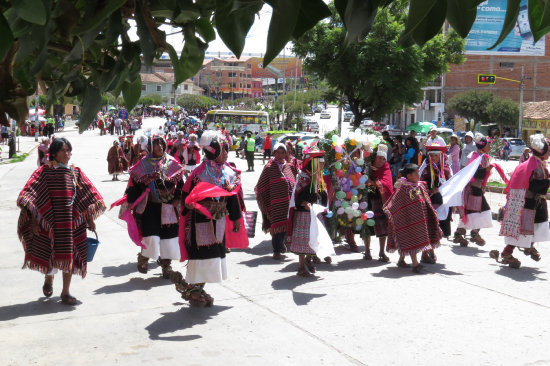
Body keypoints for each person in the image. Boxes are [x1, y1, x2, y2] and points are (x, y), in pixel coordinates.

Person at [17, 137, 105, 305]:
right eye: (63, 150)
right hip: (50, 221)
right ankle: (49, 278)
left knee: (69, 256)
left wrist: (89, 218)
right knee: (50, 253)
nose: (67, 154)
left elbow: (87, 196)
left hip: (71, 223)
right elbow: (30, 194)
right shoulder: (44, 171)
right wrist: (36, 220)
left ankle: (65, 292)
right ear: (54, 153)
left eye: (69, 150)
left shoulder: (75, 172)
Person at [178, 130, 243, 306]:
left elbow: (232, 196)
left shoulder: (227, 172)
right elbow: (185, 195)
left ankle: (196, 289)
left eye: (226, 151)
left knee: (214, 256)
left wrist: (236, 219)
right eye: (223, 150)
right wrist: (189, 204)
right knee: (202, 257)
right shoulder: (198, 173)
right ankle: (194, 290)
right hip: (199, 220)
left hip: (219, 220)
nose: (226, 154)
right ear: (214, 151)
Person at [125, 136, 184, 278]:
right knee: (151, 237)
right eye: (156, 144)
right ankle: (144, 258)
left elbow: (181, 183)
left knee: (169, 238)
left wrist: (177, 198)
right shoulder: (143, 164)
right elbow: (135, 183)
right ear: (151, 147)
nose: (160, 147)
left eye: (162, 144)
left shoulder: (172, 162)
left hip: (169, 206)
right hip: (150, 206)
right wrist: (131, 200)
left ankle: (166, 265)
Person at [491, 134, 550, 268]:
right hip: (529, 202)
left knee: (536, 226)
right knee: (525, 229)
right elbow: (539, 187)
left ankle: (529, 246)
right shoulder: (536, 166)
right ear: (542, 151)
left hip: (526, 202)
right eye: (548, 150)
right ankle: (507, 253)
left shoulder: (529, 164)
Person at [384, 164, 442, 273]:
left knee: (415, 240)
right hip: (407, 221)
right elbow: (394, 205)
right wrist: (398, 216)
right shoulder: (403, 189)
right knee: (411, 240)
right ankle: (415, 265)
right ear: (409, 176)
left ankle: (401, 260)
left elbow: (425, 199)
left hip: (421, 220)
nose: (418, 175)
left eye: (418, 172)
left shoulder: (420, 186)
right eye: (416, 173)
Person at [289, 146, 328, 277]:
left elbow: (322, 195)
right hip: (304, 214)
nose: (322, 165)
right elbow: (298, 197)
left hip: (315, 213)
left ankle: (309, 260)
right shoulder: (303, 176)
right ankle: (301, 266)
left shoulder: (319, 178)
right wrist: (305, 204)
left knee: (314, 239)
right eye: (320, 163)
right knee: (304, 240)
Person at [255, 143, 298, 260]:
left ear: (286, 153)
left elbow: (295, 182)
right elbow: (260, 186)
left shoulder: (289, 167)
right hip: (275, 204)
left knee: (285, 226)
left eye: (283, 152)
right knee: (276, 227)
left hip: (288, 203)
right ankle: (276, 250)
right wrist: (266, 202)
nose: (280, 155)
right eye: (277, 153)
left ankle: (281, 245)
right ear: (273, 153)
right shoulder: (269, 168)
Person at [453, 133, 495, 246]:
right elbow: (474, 173)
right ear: (482, 146)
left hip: (477, 189)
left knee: (473, 212)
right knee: (478, 211)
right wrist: (486, 170)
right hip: (472, 189)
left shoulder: (483, 157)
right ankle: (471, 233)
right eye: (488, 145)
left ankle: (462, 233)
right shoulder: (476, 157)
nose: (490, 147)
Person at [420, 143, 451, 263]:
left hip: (441, 201)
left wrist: (441, 189)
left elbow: (451, 183)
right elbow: (418, 181)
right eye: (431, 155)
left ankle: (429, 250)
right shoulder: (425, 168)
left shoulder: (447, 169)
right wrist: (428, 189)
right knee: (428, 227)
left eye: (436, 156)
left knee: (437, 228)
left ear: (441, 156)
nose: (433, 158)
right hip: (428, 200)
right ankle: (426, 252)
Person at [363, 144, 393, 262]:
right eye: (379, 158)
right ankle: (367, 251)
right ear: (374, 158)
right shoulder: (366, 167)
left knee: (382, 226)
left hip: (380, 201)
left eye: (383, 158)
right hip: (367, 199)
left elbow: (387, 185)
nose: (381, 160)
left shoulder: (386, 169)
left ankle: (381, 252)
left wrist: (373, 182)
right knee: (366, 225)